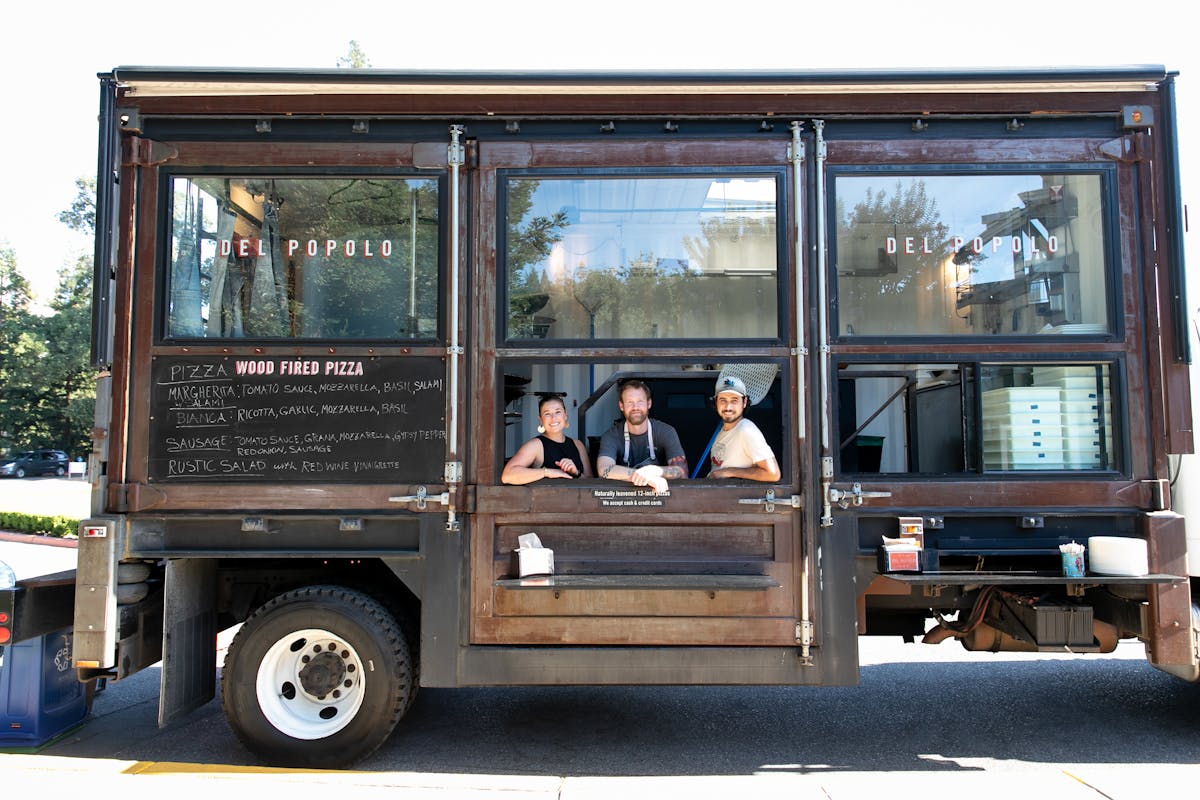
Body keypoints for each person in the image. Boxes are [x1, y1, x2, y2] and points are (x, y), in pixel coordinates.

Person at [596, 379, 688, 494]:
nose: (635, 407)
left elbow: (681, 471)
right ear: (621, 406)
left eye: (640, 401)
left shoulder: (666, 431)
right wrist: (644, 477)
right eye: (629, 402)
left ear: (649, 403)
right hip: (623, 499)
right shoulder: (611, 435)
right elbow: (604, 469)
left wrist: (655, 471)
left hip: (661, 497)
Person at [501, 395, 593, 484]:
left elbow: (592, 483)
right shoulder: (535, 445)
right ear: (540, 419)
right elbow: (507, 476)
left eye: (558, 412)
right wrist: (547, 472)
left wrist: (576, 473)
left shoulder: (578, 445)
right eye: (547, 414)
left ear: (565, 415)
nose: (553, 418)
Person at [708, 375, 781, 482]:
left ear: (745, 402)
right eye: (723, 400)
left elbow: (772, 474)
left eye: (734, 400)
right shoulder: (723, 431)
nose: (728, 407)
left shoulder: (746, 429)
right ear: (716, 402)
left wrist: (728, 472)